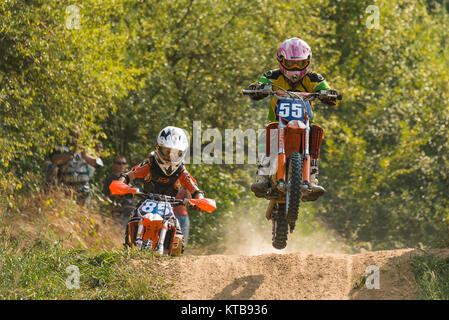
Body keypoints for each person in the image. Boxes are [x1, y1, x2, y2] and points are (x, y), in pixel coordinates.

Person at [247, 37, 340, 201]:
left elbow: (326, 89)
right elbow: (260, 83)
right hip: (279, 121)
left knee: (316, 131)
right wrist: (257, 88)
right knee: (268, 132)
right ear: (281, 61)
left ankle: (312, 174)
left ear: (308, 61)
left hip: (303, 123)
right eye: (290, 64)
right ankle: (262, 173)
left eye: (300, 63)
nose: (295, 68)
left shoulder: (313, 78)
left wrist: (329, 94)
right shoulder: (273, 75)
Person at [117, 126, 205, 247]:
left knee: (178, 238)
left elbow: (194, 189)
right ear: (158, 148)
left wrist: (199, 200)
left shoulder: (181, 170)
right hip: (146, 202)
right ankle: (128, 246)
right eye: (166, 151)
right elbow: (128, 175)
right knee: (133, 219)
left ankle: (173, 259)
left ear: (182, 154)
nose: (170, 157)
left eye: (175, 153)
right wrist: (121, 184)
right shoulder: (150, 164)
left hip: (169, 206)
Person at [48, 126, 103, 207]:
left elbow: (98, 163)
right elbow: (55, 161)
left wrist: (85, 156)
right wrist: (72, 153)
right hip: (66, 188)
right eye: (72, 134)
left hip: (84, 190)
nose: (74, 137)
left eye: (76, 134)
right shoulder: (60, 148)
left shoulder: (86, 149)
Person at [103, 155, 134, 225]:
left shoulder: (129, 179)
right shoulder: (110, 179)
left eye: (124, 163)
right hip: (118, 211)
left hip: (130, 211)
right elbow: (108, 194)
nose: (121, 165)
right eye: (119, 163)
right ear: (114, 165)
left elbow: (135, 193)